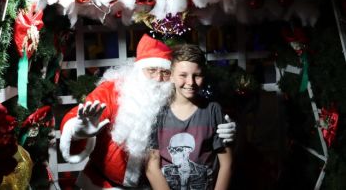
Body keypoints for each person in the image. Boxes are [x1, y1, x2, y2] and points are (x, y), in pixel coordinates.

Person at [59, 34, 236, 189]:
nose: (158, 79)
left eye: (164, 72)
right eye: (151, 70)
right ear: (138, 70)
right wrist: (77, 130)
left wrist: (227, 129)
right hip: (104, 184)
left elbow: (197, 116)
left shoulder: (170, 94)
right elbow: (81, 113)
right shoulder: (116, 90)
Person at [146, 43, 233, 190]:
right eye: (183, 75)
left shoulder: (212, 111)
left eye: (197, 75)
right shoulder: (157, 113)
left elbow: (226, 163)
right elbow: (151, 168)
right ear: (171, 76)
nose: (190, 82)